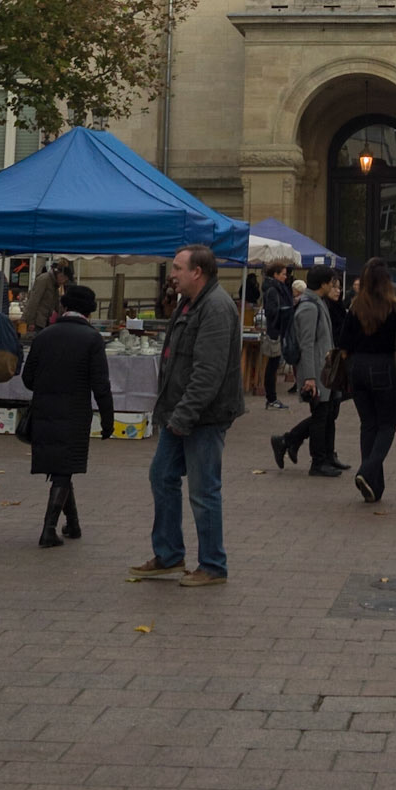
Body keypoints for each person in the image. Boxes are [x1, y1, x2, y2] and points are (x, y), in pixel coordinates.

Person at [128, 244, 245, 587]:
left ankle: (213, 565)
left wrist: (183, 416)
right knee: (161, 476)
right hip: (180, 413)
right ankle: (168, 555)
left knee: (203, 490)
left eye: (178, 268)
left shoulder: (216, 307)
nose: (173, 273)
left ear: (198, 272)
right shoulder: (189, 303)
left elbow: (207, 373)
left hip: (202, 416)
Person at [20, 281, 114, 547]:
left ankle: (72, 524)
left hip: (44, 411)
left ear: (64, 306)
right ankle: (48, 530)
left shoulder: (45, 336)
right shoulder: (92, 339)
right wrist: (108, 420)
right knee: (64, 468)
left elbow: (28, 378)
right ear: (90, 311)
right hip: (74, 413)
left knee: (62, 468)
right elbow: (101, 384)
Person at [338, 256, 396, 502]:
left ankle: (374, 486)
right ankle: (366, 470)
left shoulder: (355, 307)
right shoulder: (394, 308)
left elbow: (343, 344)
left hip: (357, 366)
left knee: (368, 424)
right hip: (383, 365)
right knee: (387, 425)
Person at [272, 266, 343, 476]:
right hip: (317, 371)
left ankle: (297, 444)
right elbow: (307, 344)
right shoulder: (310, 306)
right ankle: (317, 461)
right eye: (331, 281)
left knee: (327, 414)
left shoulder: (317, 303)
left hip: (325, 369)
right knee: (321, 416)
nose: (334, 286)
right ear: (323, 283)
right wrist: (310, 377)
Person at [260, 262, 293, 409]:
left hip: (278, 330)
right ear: (276, 275)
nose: (286, 277)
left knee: (273, 365)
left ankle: (272, 398)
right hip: (276, 331)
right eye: (283, 274)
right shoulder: (273, 290)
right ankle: (271, 398)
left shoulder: (277, 289)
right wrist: (284, 312)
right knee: (272, 366)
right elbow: (272, 311)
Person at [23, 258, 72, 336]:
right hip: (37, 321)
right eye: (65, 280)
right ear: (61, 275)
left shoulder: (54, 284)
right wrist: (30, 322)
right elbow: (33, 301)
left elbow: (57, 304)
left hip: (44, 320)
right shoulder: (44, 280)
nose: (64, 283)